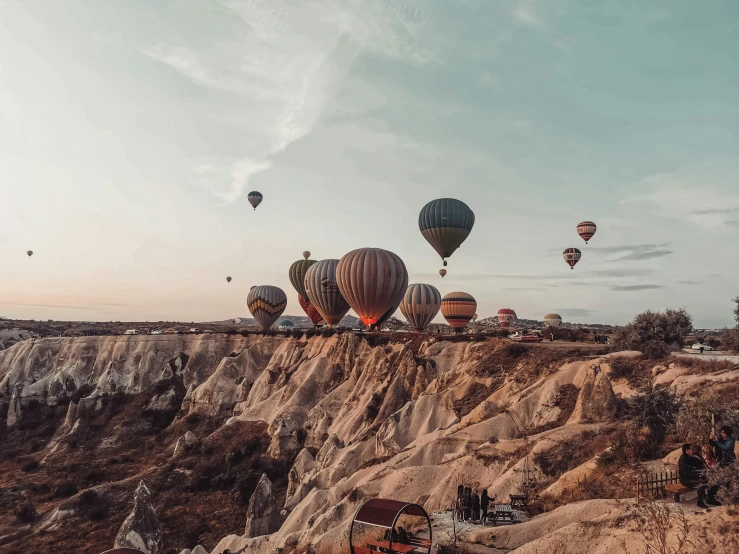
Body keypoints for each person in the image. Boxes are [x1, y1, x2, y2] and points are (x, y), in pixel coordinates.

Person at [678, 444, 718, 508]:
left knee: (712, 480)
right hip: (685, 480)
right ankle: (700, 501)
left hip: (693, 477)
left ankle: (710, 499)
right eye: (691, 449)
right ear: (687, 450)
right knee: (701, 483)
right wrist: (698, 475)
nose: (693, 451)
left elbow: (700, 466)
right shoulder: (683, 459)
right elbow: (686, 473)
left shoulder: (692, 457)